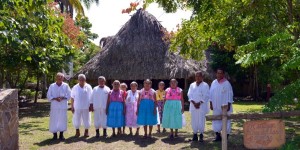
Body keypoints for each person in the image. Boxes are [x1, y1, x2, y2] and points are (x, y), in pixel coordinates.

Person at [209, 68, 233, 142]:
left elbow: (230, 94)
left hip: (225, 106)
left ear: (223, 74)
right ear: (216, 74)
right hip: (216, 105)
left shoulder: (227, 83)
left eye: (221, 73)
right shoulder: (214, 83)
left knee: (227, 120)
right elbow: (210, 94)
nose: (219, 74)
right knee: (216, 120)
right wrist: (211, 103)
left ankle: (226, 136)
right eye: (218, 73)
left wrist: (229, 104)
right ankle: (218, 136)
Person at [47, 72, 71, 140]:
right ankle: (54, 135)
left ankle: (61, 134)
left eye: (61, 77)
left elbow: (69, 94)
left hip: (63, 105)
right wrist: (55, 98)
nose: (60, 78)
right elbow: (49, 95)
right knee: (54, 119)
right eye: (58, 77)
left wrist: (62, 98)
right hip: (54, 105)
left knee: (62, 119)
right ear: (56, 77)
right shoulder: (52, 86)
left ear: (63, 78)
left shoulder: (66, 85)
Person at [187, 71, 210, 142]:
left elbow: (206, 95)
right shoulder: (192, 85)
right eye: (196, 76)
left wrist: (199, 103)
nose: (197, 77)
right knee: (194, 120)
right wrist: (194, 103)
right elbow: (189, 94)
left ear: (202, 77)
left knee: (201, 120)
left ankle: (201, 135)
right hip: (193, 105)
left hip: (202, 105)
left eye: (199, 76)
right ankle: (194, 134)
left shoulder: (205, 85)